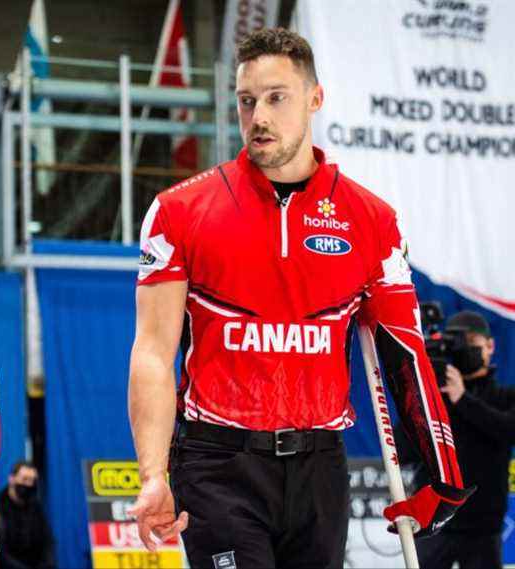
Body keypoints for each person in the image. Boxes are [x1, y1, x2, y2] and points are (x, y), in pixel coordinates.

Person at [127, 27, 474, 568]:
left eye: (276, 97)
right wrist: (152, 476)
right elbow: (152, 351)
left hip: (319, 467)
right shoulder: (179, 212)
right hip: (219, 463)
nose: (258, 116)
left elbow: (404, 354)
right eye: (247, 101)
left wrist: (444, 478)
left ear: (315, 98)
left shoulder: (371, 221)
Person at [399, 310, 511, 569]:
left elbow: (507, 430)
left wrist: (463, 399)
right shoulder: (435, 400)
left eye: (473, 343)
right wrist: (416, 397)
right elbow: (403, 451)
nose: (467, 350)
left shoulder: (505, 397)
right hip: (435, 522)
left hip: (483, 526)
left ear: (490, 346)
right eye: (460, 344)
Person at [0, 461, 54, 569]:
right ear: (12, 479)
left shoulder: (36, 507)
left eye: (32, 481)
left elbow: (48, 541)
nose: (29, 484)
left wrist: (47, 564)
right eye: (25, 479)